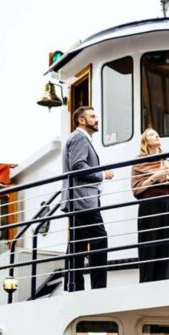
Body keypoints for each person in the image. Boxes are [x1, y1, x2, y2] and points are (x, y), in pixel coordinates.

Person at [63, 106, 115, 292]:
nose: (96, 119)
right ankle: (99, 288)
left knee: (77, 245)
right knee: (100, 239)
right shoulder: (79, 137)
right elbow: (78, 166)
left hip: (76, 199)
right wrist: (102, 174)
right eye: (92, 116)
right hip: (83, 199)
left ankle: (74, 287)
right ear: (81, 120)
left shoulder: (76, 138)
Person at [131, 128, 169, 283]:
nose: (156, 135)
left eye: (157, 134)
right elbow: (136, 190)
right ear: (145, 141)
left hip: (168, 207)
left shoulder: (167, 163)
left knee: (168, 248)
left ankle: (166, 284)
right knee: (149, 248)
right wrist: (155, 177)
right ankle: (147, 284)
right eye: (151, 134)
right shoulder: (139, 162)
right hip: (150, 207)